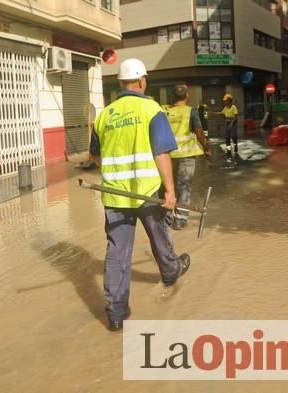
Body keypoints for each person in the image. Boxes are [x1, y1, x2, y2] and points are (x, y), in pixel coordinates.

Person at [90, 58, 190, 332]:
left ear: (120, 83)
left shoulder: (104, 115)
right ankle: (171, 273)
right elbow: (161, 153)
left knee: (117, 252)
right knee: (160, 236)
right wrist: (170, 191)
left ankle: (116, 313)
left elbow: (95, 155)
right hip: (147, 192)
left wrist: (116, 172)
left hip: (115, 196)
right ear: (142, 80)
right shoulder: (150, 109)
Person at [162, 84, 212, 230]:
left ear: (172, 96)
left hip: (166, 155)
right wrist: (207, 148)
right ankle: (180, 222)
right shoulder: (191, 111)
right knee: (184, 187)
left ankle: (165, 218)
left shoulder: (163, 110)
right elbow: (199, 132)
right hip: (186, 155)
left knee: (167, 186)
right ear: (187, 96)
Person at [214, 94, 239, 160]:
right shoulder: (225, 107)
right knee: (227, 138)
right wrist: (215, 113)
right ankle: (228, 151)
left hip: (233, 123)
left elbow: (236, 117)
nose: (224, 102)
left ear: (229, 101)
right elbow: (222, 113)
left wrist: (231, 123)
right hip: (227, 123)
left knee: (233, 136)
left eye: (225, 101)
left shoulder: (233, 107)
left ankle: (235, 145)